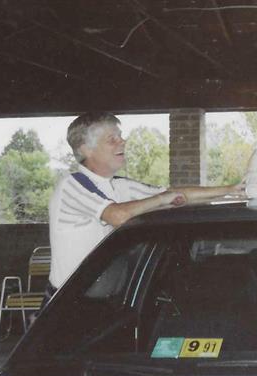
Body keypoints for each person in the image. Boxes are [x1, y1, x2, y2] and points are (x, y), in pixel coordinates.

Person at [44, 111, 243, 306]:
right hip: (69, 303)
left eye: (120, 136)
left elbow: (177, 195)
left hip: (107, 299)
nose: (122, 142)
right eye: (112, 139)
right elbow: (117, 215)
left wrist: (230, 190)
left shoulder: (121, 186)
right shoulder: (71, 185)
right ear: (86, 149)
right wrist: (160, 199)